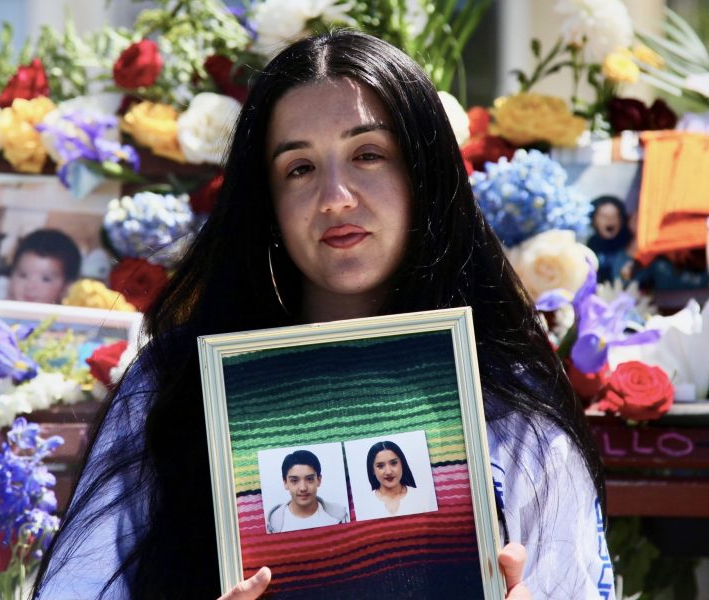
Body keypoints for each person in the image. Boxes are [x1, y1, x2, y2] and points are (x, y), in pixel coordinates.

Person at [34, 30, 612, 599]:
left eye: (368, 154)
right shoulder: (171, 392)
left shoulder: (513, 404)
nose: (335, 195)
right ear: (267, 201)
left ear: (424, 175)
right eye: (299, 168)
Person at [0, 228, 82, 304]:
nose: (30, 287)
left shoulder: (69, 315)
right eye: (23, 275)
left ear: (67, 287)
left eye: (45, 279)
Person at [266, 449, 349, 533]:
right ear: (285, 483)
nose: (303, 488)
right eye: (294, 481)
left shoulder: (339, 516)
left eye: (309, 479)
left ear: (319, 480)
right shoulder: (273, 523)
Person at [360, 440, 435, 519]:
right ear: (372, 470)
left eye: (393, 463)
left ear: (402, 464)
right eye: (380, 466)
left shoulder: (423, 498)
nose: (388, 471)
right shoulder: (364, 505)